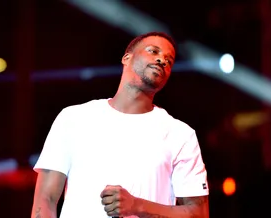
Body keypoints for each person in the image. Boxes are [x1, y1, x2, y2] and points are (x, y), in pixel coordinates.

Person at [31, 31, 210, 218]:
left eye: (169, 60)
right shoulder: (73, 118)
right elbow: (46, 200)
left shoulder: (180, 135)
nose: (162, 61)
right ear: (127, 58)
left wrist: (137, 206)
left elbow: (198, 213)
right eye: (153, 51)